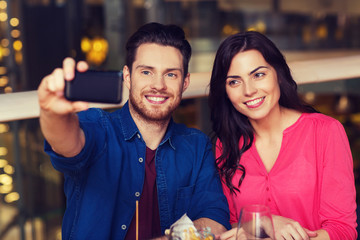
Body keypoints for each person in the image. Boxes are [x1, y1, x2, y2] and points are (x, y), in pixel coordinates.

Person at [38, 22, 230, 240]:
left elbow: (215, 222)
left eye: (171, 75)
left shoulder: (197, 145)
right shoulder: (99, 126)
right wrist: (52, 112)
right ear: (128, 76)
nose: (158, 85)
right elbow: (67, 143)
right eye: (146, 72)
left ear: (185, 82)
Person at [208, 31, 357, 240]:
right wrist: (266, 223)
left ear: (278, 73)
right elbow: (231, 223)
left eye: (258, 75)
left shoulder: (325, 132)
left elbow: (342, 230)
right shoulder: (226, 144)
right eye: (234, 81)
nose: (248, 90)